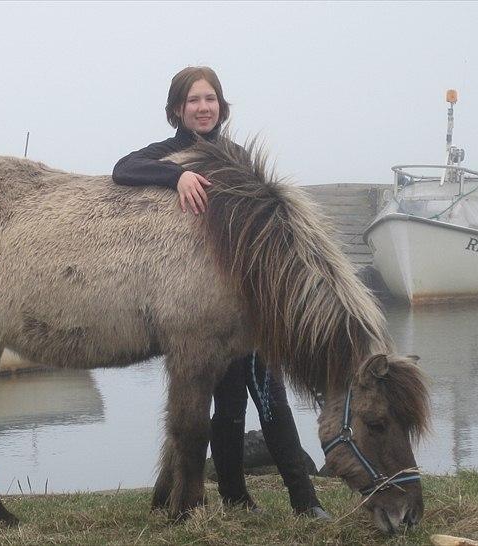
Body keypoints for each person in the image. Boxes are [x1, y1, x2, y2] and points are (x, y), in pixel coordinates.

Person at [112, 66, 330, 519]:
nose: (203, 107)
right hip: (204, 303)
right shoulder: (168, 154)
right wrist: (176, 177)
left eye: (210, 99)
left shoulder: (237, 156)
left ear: (221, 105)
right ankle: (233, 495)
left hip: (248, 301)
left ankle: (304, 499)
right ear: (177, 110)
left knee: (271, 400)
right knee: (226, 407)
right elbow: (123, 168)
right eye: (193, 100)